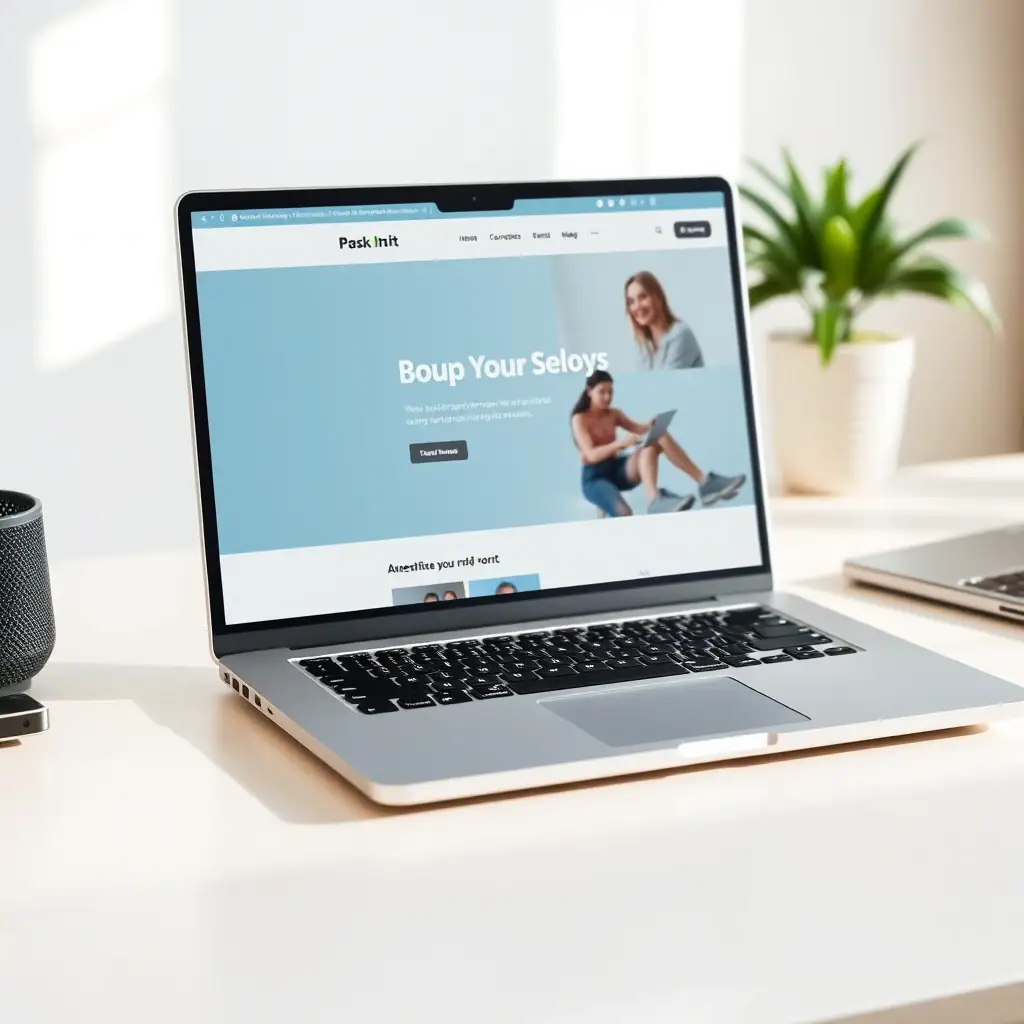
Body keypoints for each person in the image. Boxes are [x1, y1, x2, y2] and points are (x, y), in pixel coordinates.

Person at [570, 370, 745, 516]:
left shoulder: (614, 414)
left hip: (618, 469)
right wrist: (621, 444)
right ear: (589, 391)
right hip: (595, 477)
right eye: (602, 392)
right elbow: (591, 455)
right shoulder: (580, 419)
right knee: (623, 512)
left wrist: (651, 425)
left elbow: (640, 429)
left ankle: (700, 484)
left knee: (659, 436)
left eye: (611, 392)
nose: (608, 397)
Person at [625, 270, 704, 370]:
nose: (637, 306)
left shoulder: (680, 334)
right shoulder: (644, 345)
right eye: (631, 301)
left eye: (643, 297)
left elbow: (666, 383)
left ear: (659, 298)